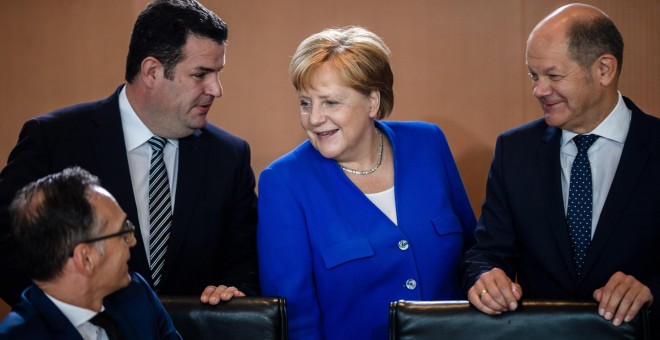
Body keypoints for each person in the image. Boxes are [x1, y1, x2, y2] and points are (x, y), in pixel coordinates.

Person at [0, 0, 259, 307]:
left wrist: (232, 291)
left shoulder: (230, 157)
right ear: (152, 71)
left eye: (218, 73)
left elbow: (245, 266)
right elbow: (6, 247)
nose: (216, 89)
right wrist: (65, 319)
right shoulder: (53, 139)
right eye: (201, 74)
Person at [258, 26, 477, 339]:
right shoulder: (283, 182)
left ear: (372, 102)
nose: (314, 118)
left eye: (330, 102)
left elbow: (472, 251)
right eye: (305, 103)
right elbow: (296, 318)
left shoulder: (428, 143)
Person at [461, 3, 659, 333]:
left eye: (553, 75)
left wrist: (651, 287)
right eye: (534, 76)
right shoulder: (514, 151)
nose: (539, 90)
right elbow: (486, 252)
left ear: (604, 70)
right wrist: (484, 277)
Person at [0, 167, 180, 338]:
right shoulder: (20, 335)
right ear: (85, 258)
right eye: (123, 231)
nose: (132, 241)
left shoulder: (137, 297)